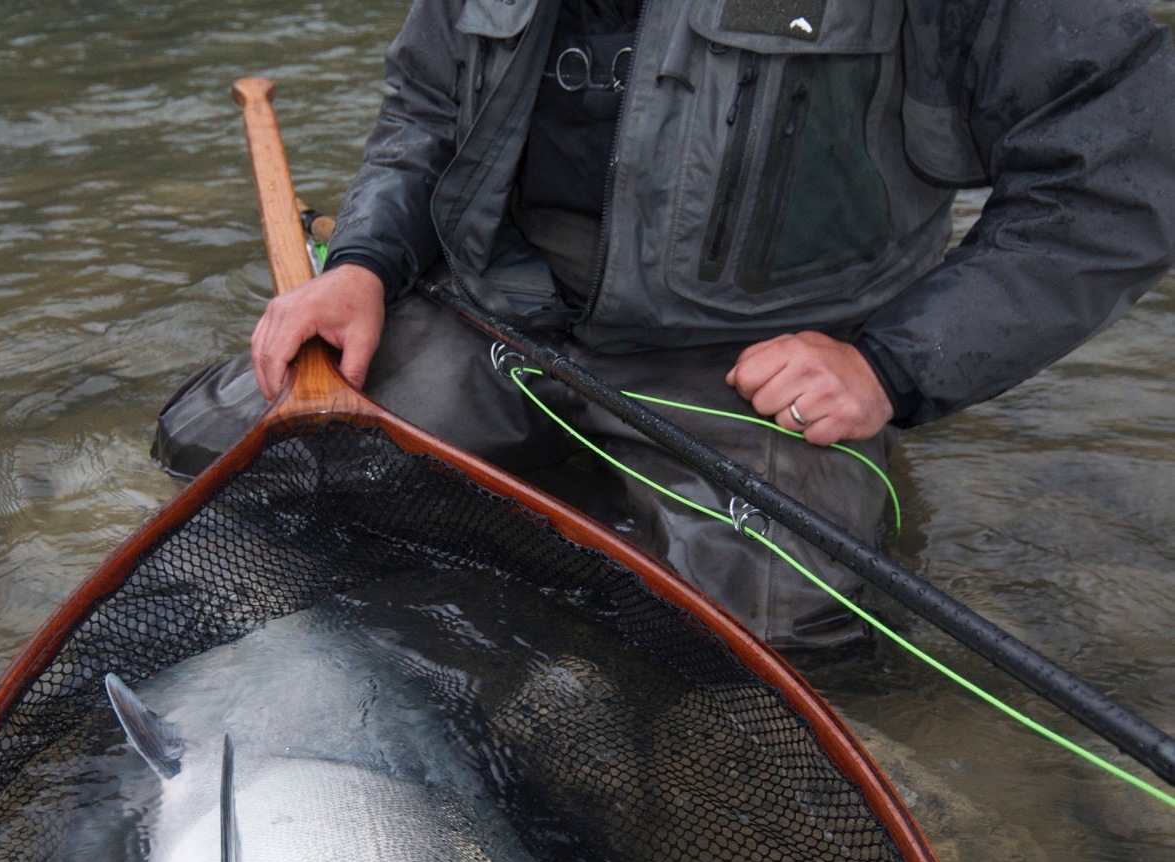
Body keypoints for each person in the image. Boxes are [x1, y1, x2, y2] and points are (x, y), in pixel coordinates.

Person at [160, 0, 1175, 652]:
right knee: (219, 449)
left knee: (760, 624)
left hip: (748, 365)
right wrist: (370, 262)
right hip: (497, 318)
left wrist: (889, 365)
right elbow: (426, 105)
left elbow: (1120, 177)